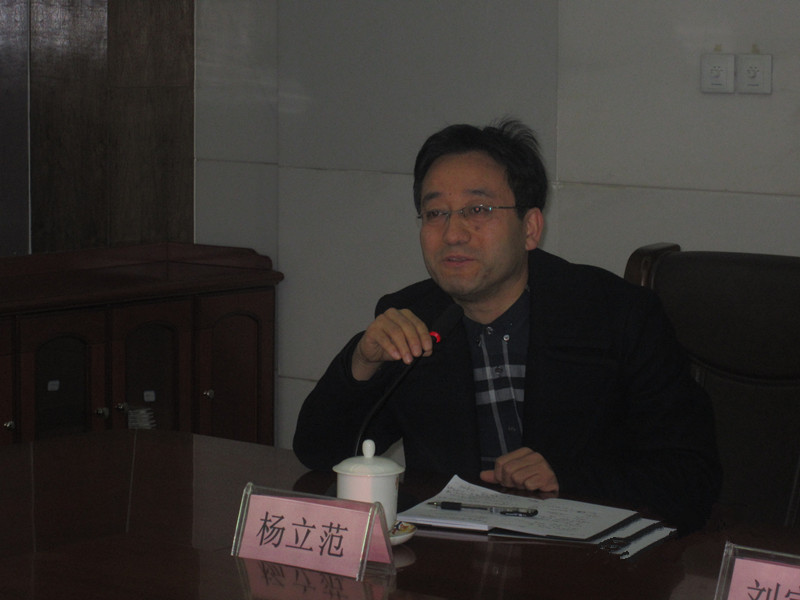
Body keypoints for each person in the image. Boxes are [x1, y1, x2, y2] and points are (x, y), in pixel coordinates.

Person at [293, 119, 721, 533]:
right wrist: (361, 363)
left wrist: (566, 477)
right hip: (451, 555)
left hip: (584, 561)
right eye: (435, 212)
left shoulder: (617, 315)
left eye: (477, 210)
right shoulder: (412, 319)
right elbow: (320, 454)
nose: (453, 233)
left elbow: (692, 478)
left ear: (530, 228)